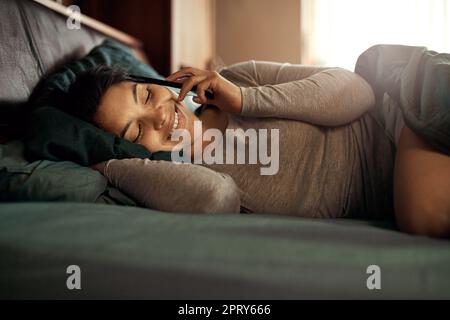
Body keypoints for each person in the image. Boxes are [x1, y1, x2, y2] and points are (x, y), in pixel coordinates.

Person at [65, 61, 450, 238]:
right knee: (425, 213)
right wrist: (111, 164)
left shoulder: (236, 79)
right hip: (411, 172)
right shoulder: (185, 176)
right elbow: (215, 199)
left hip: (409, 108)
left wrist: (244, 100)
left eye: (148, 95)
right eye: (136, 131)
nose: (160, 118)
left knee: (425, 213)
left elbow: (355, 89)